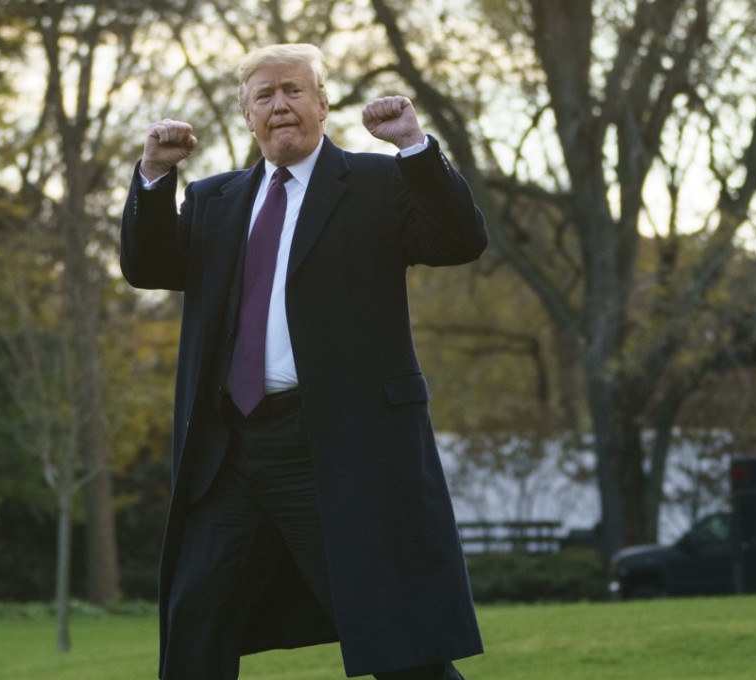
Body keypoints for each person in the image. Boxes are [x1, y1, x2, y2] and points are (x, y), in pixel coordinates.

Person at [121, 43, 486, 680]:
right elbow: (148, 267)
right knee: (194, 628)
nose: (280, 105)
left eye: (294, 91)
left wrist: (414, 147)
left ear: (322, 103)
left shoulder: (377, 184)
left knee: (397, 643)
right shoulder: (215, 200)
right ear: (246, 116)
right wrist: (154, 176)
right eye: (264, 96)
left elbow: (458, 240)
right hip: (228, 453)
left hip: (333, 446)